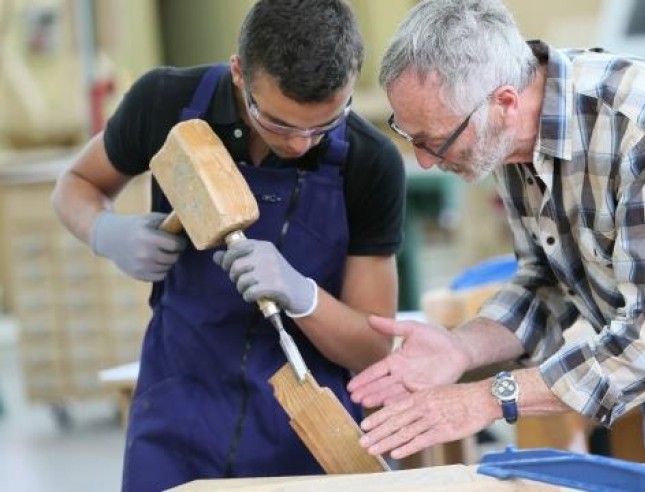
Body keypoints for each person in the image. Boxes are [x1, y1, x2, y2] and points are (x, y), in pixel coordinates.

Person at [347, 1, 645, 490]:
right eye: (410, 137)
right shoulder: (506, 137)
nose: (425, 161)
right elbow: (545, 281)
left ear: (505, 103)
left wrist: (488, 398)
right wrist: (461, 347)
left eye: (433, 141)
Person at [51, 0, 405, 489]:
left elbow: (372, 348)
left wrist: (304, 297)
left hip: (302, 427)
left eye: (324, 124)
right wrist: (106, 233)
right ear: (239, 72)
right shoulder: (166, 102)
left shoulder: (369, 162)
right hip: (177, 413)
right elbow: (75, 186)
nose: (300, 143)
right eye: (279, 123)